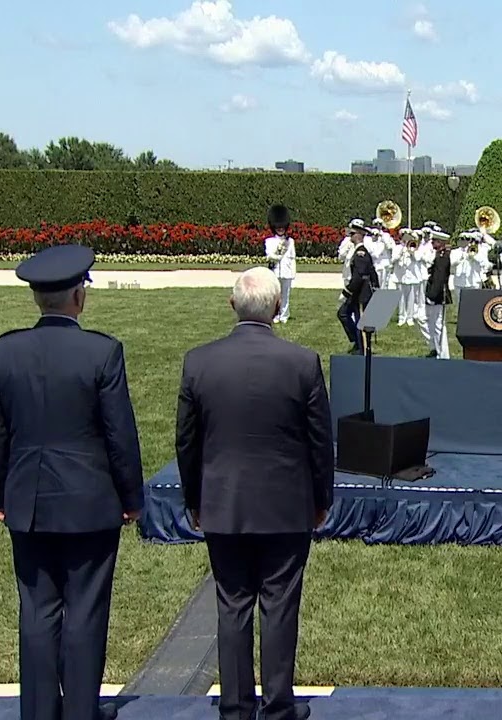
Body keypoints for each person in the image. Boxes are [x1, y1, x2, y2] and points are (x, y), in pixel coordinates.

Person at [0, 244, 143, 720]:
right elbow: (120, 434)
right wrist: (132, 497)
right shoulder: (101, 351)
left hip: (27, 500)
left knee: (36, 613)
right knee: (85, 613)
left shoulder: (5, 351)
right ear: (79, 296)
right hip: (90, 501)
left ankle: (38, 711)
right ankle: (80, 711)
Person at [176, 267, 333, 720]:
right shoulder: (301, 362)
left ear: (231, 305)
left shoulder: (199, 361)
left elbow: (186, 441)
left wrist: (194, 499)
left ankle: (236, 706)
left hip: (223, 503)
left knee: (233, 604)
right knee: (280, 606)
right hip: (285, 505)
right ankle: (278, 704)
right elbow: (319, 441)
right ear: (278, 306)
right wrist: (322, 499)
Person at [336, 219, 378, 354]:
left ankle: (363, 349)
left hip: (360, 294)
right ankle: (357, 341)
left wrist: (346, 292)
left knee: (362, 322)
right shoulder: (357, 251)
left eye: (353, 233)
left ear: (359, 235)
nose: (350, 236)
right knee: (343, 313)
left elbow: (359, 277)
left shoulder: (361, 253)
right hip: (357, 292)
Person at [421, 230, 452, 359]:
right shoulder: (439, 255)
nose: (432, 243)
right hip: (435, 294)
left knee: (439, 325)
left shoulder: (442, 257)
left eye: (435, 241)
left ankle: (443, 355)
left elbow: (439, 279)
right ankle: (436, 349)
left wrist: (432, 296)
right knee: (432, 323)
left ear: (441, 243)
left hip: (438, 295)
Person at [264, 205, 296, 324]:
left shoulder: (290, 241)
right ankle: (275, 314)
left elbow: (292, 258)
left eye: (282, 227)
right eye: (278, 227)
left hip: (287, 271)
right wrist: (277, 255)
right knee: (275, 295)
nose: (280, 229)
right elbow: (269, 256)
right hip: (275, 271)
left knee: (285, 295)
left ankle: (284, 314)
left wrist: (293, 273)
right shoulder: (269, 241)